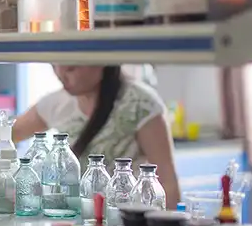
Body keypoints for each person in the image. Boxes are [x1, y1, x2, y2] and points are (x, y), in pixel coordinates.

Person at [12, 65, 181, 207]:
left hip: (125, 219)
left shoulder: (140, 103)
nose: (60, 75)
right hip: (78, 220)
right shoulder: (56, 103)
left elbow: (168, 184)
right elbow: (10, 133)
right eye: (54, 66)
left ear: (100, 62)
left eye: (71, 68)